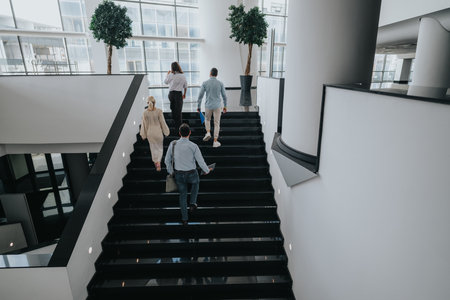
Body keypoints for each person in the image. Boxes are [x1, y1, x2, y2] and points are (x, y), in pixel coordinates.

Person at [165, 123, 211, 225]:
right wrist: (207, 170)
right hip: (192, 173)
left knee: (182, 195)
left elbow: (166, 160)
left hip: (179, 174)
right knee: (196, 183)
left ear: (179, 133)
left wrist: (171, 171)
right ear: (190, 133)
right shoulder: (193, 146)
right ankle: (193, 203)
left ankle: (185, 219)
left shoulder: (173, 144)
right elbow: (200, 161)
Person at [197, 67, 227, 148]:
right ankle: (215, 141)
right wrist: (225, 106)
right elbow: (224, 96)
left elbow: (200, 96)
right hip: (217, 106)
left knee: (207, 119)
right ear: (216, 74)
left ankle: (208, 132)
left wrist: (198, 106)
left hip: (208, 105)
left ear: (210, 73)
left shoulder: (205, 83)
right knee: (217, 123)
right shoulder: (220, 83)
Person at [140, 96, 170, 171]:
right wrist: (166, 132)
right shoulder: (159, 111)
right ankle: (159, 162)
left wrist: (143, 135)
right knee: (160, 148)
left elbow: (144, 125)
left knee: (153, 148)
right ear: (155, 102)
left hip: (150, 133)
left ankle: (156, 162)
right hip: (158, 132)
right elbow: (162, 122)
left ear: (147, 103)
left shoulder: (145, 113)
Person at [164, 62, 187, 133]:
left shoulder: (170, 75)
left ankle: (175, 127)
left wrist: (167, 75)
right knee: (178, 111)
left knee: (173, 110)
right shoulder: (183, 75)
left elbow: (165, 82)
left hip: (171, 94)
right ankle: (179, 129)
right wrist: (184, 94)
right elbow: (185, 86)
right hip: (179, 94)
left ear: (172, 68)